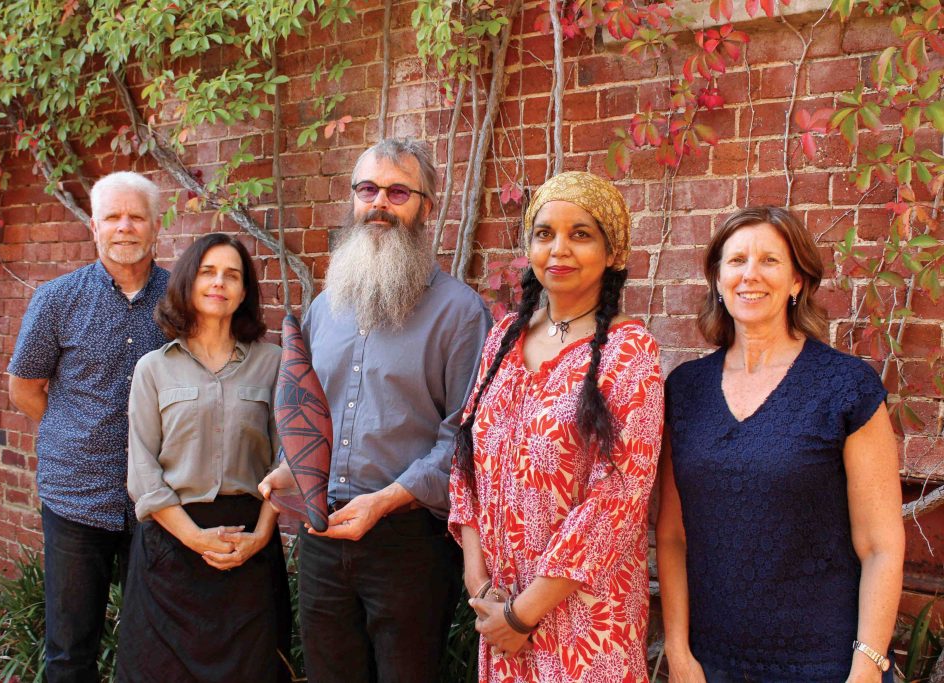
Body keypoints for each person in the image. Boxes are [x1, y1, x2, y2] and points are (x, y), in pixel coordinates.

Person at [260, 137, 492, 683]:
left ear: (427, 208)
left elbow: (463, 438)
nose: (380, 203)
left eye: (398, 192)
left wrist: (384, 502)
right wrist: (292, 466)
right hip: (321, 537)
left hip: (408, 546)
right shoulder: (325, 307)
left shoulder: (460, 313)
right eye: (368, 189)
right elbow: (311, 412)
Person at [656, 206, 905, 683]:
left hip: (826, 664)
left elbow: (880, 546)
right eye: (736, 261)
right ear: (717, 279)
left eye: (770, 260)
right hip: (712, 665)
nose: (751, 274)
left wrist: (866, 668)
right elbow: (672, 536)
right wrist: (679, 651)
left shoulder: (846, 387)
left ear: (797, 282)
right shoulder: (685, 390)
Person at [448, 171, 664, 682]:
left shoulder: (629, 353)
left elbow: (615, 502)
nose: (559, 249)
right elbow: (466, 458)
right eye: (544, 233)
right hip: (500, 618)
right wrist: (479, 585)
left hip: (585, 622)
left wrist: (525, 613)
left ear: (614, 253)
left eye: (581, 234)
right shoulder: (504, 336)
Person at [7, 171, 169, 682]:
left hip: (158, 498)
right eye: (113, 217)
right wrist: (72, 435)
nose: (125, 227)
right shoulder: (57, 299)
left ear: (155, 226)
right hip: (77, 496)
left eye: (136, 216)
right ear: (94, 227)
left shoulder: (181, 299)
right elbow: (25, 386)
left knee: (154, 643)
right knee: (71, 648)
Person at [117, 233, 290, 682]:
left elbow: (287, 459)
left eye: (232, 275)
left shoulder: (273, 363)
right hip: (171, 550)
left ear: (245, 292)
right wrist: (195, 538)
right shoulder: (153, 368)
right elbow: (142, 471)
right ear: (188, 283)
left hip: (248, 547)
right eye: (208, 272)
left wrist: (258, 537)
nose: (220, 283)